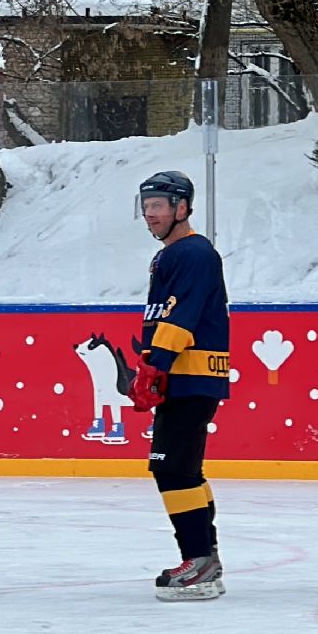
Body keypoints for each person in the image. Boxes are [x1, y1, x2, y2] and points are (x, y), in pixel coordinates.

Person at [124, 171, 230, 601]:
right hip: (182, 375)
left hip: (191, 375)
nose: (150, 215)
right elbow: (162, 316)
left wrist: (157, 367)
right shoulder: (170, 255)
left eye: (159, 206)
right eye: (146, 207)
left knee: (171, 468)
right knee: (184, 468)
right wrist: (150, 363)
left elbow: (181, 317)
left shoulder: (194, 253)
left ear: (182, 208)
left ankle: (199, 560)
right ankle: (206, 556)